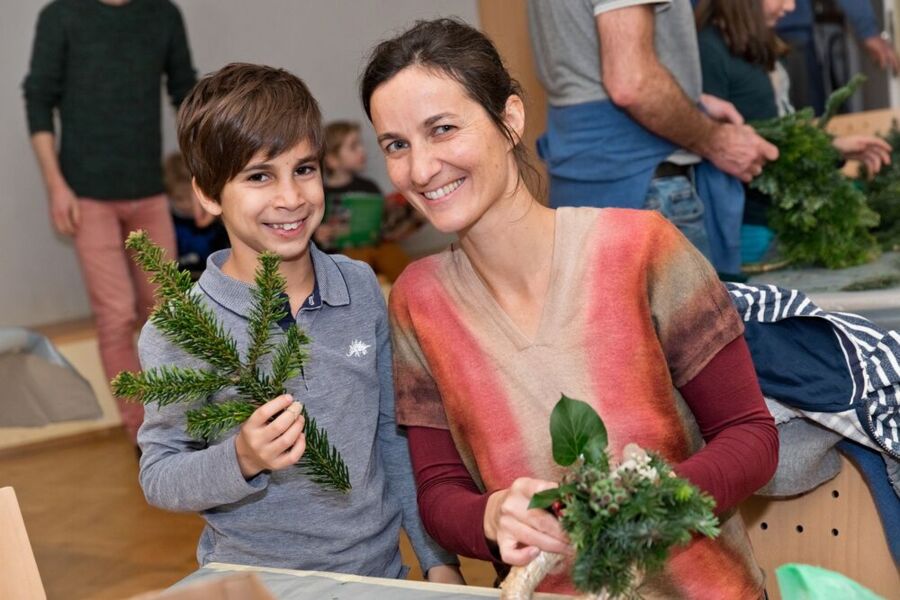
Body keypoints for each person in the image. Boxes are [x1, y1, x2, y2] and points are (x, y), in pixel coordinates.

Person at [362, 19, 778, 598]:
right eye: (397, 145)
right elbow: (438, 492)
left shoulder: (642, 248)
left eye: (443, 129)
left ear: (510, 119)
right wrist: (491, 517)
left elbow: (751, 436)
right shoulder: (418, 297)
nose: (421, 168)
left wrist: (650, 502)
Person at [137, 63, 461, 582]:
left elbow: (391, 436)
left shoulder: (359, 289)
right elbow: (160, 475)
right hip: (252, 584)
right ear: (208, 194)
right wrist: (241, 457)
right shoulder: (181, 329)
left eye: (304, 169)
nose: (291, 198)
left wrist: (436, 559)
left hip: (375, 575)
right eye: (259, 176)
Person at [22, 0, 197, 444]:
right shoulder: (61, 16)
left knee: (167, 312)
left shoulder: (162, 15)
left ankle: (179, 421)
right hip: (87, 196)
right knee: (116, 315)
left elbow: (186, 95)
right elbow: (39, 100)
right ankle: (142, 431)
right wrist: (55, 186)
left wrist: (201, 173)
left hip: (149, 190)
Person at [527, 0, 779, 277]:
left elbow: (588, 63)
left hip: (580, 185)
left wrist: (691, 101)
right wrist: (717, 141)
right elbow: (632, 83)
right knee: (687, 321)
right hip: (641, 188)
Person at [696, 0, 891, 263]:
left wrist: (833, 146)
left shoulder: (763, 46)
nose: (790, 7)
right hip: (749, 227)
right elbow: (744, 145)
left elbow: (779, 129)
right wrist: (828, 149)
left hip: (775, 218)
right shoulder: (709, 50)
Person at [316, 121, 413, 282]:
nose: (362, 150)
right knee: (354, 262)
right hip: (343, 253)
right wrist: (319, 234)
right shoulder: (320, 195)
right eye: (354, 146)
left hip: (376, 245)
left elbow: (383, 221)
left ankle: (410, 287)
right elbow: (315, 237)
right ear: (332, 160)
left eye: (360, 144)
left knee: (391, 253)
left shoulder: (369, 186)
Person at [775, 0, 900, 114]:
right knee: (806, 118)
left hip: (790, 35)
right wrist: (868, 30)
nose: (789, 5)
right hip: (788, 35)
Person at [163, 152, 229, 279]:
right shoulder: (168, 224)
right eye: (179, 199)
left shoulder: (217, 224)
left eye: (190, 198)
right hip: (180, 281)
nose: (187, 204)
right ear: (169, 196)